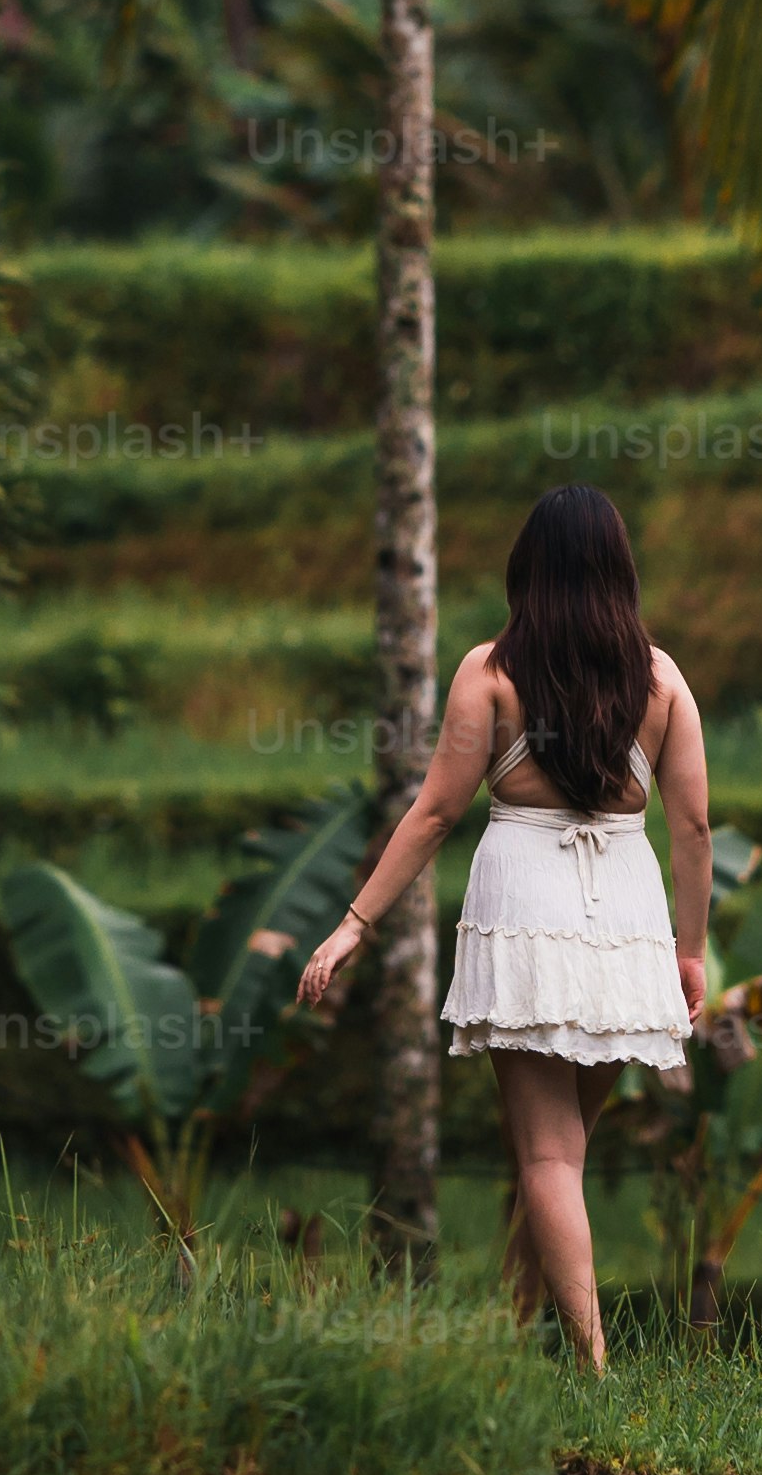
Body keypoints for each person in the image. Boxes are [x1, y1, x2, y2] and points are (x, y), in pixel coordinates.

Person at [297, 481, 709, 1366]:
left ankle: (595, 1372)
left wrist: (354, 925)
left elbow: (436, 814)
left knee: (547, 1160)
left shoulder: (491, 672)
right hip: (627, 918)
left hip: (528, 909)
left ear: (530, 569)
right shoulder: (664, 680)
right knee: (561, 1158)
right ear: (619, 571)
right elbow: (695, 829)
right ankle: (515, 1351)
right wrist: (690, 952)